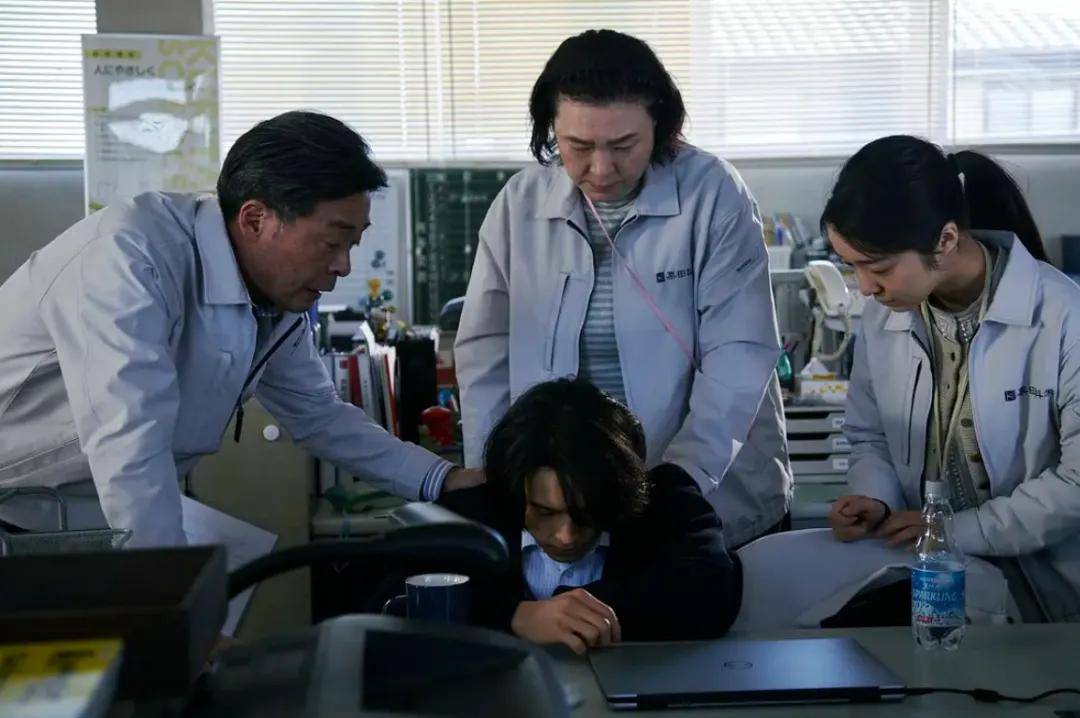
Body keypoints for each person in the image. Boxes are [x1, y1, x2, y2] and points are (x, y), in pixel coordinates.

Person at [0, 111, 482, 547]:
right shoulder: (129, 258)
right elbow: (129, 441)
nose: (343, 266)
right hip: (21, 511)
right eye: (332, 242)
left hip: (89, 512)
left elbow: (319, 415)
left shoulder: (271, 295)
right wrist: (169, 595)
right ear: (255, 219)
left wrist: (443, 479)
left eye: (352, 245)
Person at [454, 29, 791, 548]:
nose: (601, 168)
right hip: (570, 508)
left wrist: (682, 481)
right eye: (578, 146)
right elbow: (485, 354)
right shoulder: (520, 204)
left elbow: (739, 353)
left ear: (662, 126)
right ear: (551, 130)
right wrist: (498, 474)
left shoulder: (712, 194)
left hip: (705, 495)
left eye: (623, 145)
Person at [823, 135, 1080, 622]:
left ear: (944, 240)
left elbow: (1076, 483)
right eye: (852, 266)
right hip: (931, 578)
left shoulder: (1063, 317)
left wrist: (953, 531)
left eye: (878, 267)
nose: (865, 287)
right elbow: (870, 436)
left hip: (1045, 591)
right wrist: (874, 498)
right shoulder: (884, 315)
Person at [429, 378, 741, 653]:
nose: (566, 536)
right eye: (545, 512)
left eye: (587, 512)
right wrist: (513, 616)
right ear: (514, 488)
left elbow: (711, 591)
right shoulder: (471, 515)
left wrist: (569, 614)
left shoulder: (668, 501)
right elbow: (408, 599)